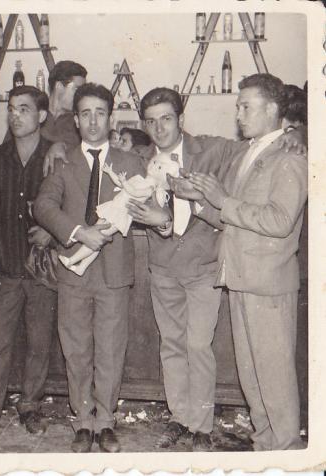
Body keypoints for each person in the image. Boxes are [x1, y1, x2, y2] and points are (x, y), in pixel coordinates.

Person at [187, 73, 307, 451]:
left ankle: (286, 453)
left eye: (245, 107)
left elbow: (279, 221)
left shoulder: (289, 157)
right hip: (242, 278)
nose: (238, 115)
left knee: (275, 381)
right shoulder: (249, 153)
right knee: (253, 379)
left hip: (268, 284)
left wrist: (222, 200)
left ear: (272, 109)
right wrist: (197, 201)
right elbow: (232, 217)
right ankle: (264, 447)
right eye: (238, 107)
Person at [124, 87, 246, 451]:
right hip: (163, 267)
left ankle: (202, 425)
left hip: (203, 266)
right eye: (151, 121)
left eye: (166, 118)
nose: (159, 128)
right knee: (172, 344)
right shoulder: (138, 159)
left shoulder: (210, 150)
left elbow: (256, 147)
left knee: (198, 344)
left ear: (180, 118)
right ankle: (179, 417)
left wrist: (293, 135)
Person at [34, 83, 144, 452]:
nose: (93, 121)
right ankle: (82, 420)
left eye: (100, 113)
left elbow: (150, 201)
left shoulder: (130, 162)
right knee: (76, 347)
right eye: (85, 114)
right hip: (74, 271)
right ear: (76, 121)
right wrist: (79, 232)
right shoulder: (63, 161)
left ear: (111, 118)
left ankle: (106, 420)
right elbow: (43, 206)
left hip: (114, 271)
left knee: (111, 348)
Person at [0, 86, 57, 444]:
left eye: (24, 109)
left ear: (42, 115)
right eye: (12, 109)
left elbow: (70, 205)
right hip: (4, 265)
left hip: (42, 268)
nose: (15, 116)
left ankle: (30, 406)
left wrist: (52, 232)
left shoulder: (55, 155)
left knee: (39, 342)